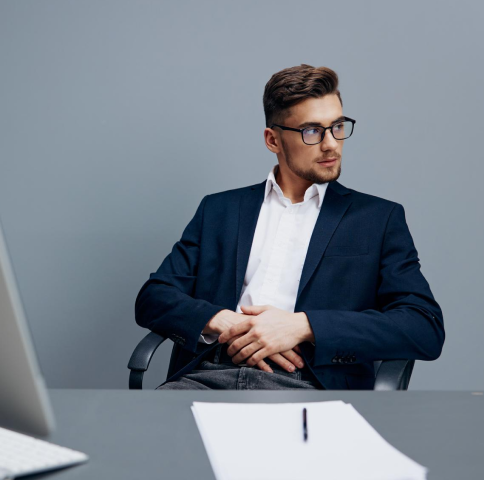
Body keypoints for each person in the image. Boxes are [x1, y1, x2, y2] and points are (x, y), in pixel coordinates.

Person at [136, 64, 444, 390]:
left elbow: (423, 326)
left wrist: (304, 326)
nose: (331, 144)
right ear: (273, 140)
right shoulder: (219, 210)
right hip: (204, 377)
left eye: (338, 126)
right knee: (138, 423)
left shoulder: (377, 219)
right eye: (312, 131)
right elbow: (153, 298)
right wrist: (224, 322)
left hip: (307, 385)